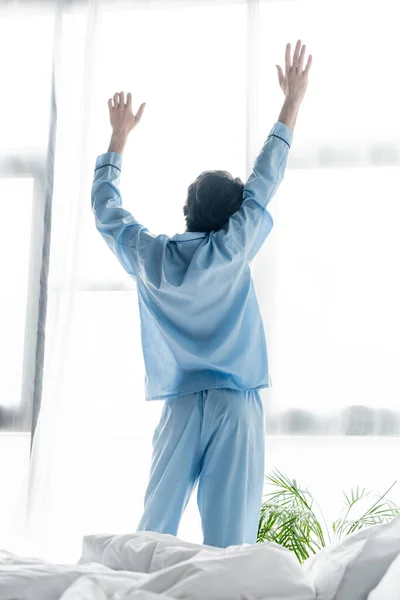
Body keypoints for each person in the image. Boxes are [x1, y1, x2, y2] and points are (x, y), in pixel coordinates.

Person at [91, 40, 312, 548]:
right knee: (231, 546)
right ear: (232, 217)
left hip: (182, 406)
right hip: (236, 405)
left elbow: (107, 212)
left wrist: (117, 139)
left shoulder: (151, 257)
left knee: (153, 534)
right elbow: (265, 179)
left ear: (186, 209)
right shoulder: (235, 246)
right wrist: (291, 102)